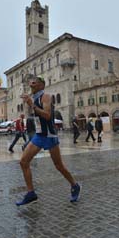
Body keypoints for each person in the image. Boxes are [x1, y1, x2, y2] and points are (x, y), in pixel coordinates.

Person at [16, 76, 81, 206]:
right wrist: (29, 103)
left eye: (34, 83)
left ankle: (75, 185)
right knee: (23, 162)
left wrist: (31, 105)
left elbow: (47, 115)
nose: (31, 84)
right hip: (39, 135)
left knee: (59, 166)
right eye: (30, 83)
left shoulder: (46, 96)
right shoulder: (33, 97)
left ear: (42, 85)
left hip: (50, 135)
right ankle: (31, 193)